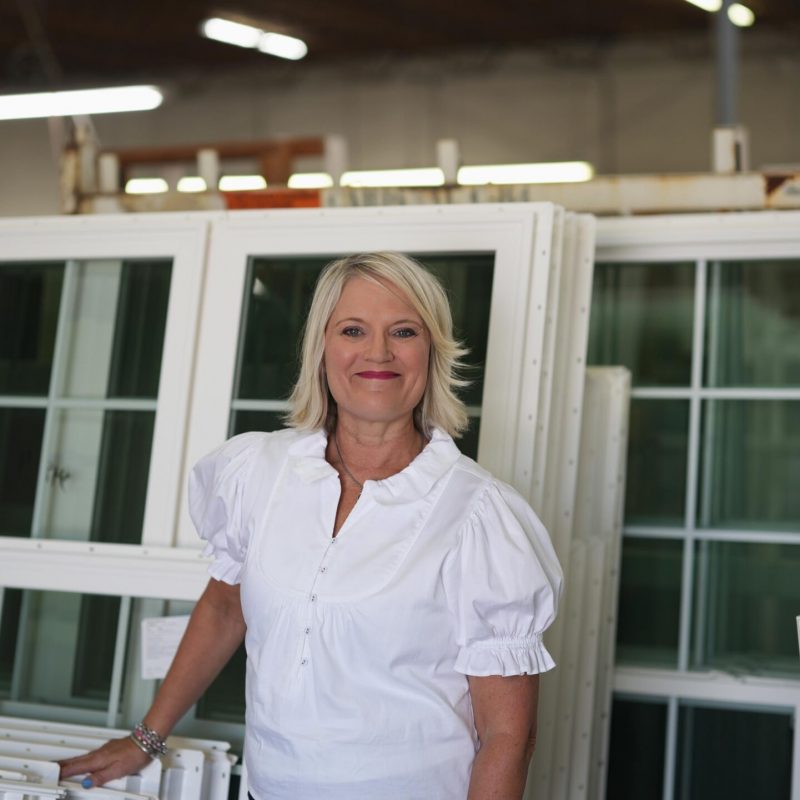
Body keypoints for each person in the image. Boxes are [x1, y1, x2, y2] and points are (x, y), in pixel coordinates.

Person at [60, 252, 562, 800]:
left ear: (432, 352)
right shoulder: (259, 471)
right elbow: (225, 607)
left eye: (403, 331)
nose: (378, 352)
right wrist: (146, 738)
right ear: (321, 348)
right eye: (353, 329)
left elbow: (509, 736)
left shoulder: (478, 514)